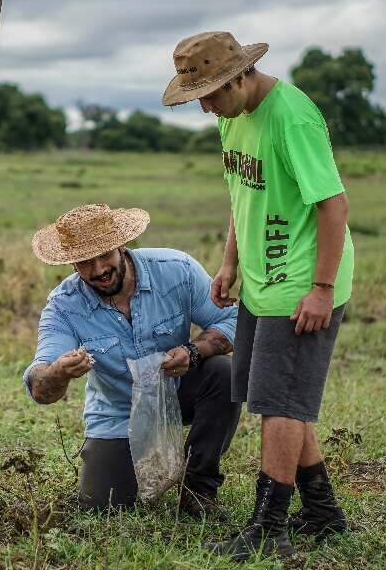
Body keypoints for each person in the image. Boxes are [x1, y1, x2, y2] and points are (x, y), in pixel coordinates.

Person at [162, 31, 354, 560]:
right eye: (195, 94)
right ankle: (322, 511)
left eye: (211, 93)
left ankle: (269, 527)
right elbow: (241, 191)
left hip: (300, 285)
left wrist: (321, 288)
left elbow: (333, 206)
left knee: (280, 406)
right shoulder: (232, 116)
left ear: (241, 76)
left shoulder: (291, 117)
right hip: (262, 281)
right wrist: (230, 262)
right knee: (278, 398)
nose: (204, 106)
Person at [23, 204, 240, 516]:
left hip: (177, 393)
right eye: (85, 262)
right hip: (117, 413)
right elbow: (40, 386)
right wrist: (59, 372)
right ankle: (132, 463)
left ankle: (199, 487)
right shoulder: (62, 306)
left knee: (224, 373)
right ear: (71, 264)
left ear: (121, 245)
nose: (98, 269)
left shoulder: (176, 269)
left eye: (104, 255)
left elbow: (232, 322)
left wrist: (194, 352)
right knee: (104, 506)